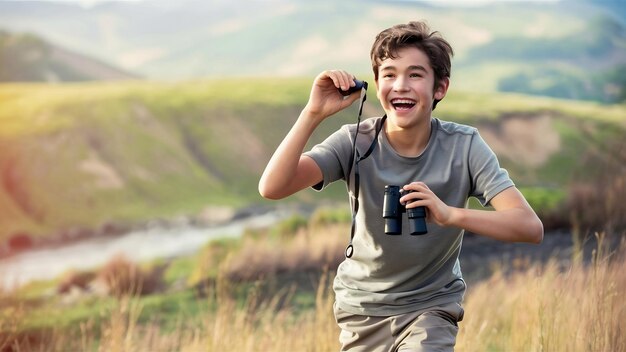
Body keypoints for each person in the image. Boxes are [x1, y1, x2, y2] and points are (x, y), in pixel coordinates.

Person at [258, 21, 543, 352]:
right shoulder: (355, 142)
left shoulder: (464, 146)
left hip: (431, 308)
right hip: (362, 311)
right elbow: (272, 187)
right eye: (389, 74)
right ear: (376, 84)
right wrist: (312, 113)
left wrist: (451, 215)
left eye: (416, 75)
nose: (401, 85)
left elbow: (529, 227)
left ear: (440, 88)